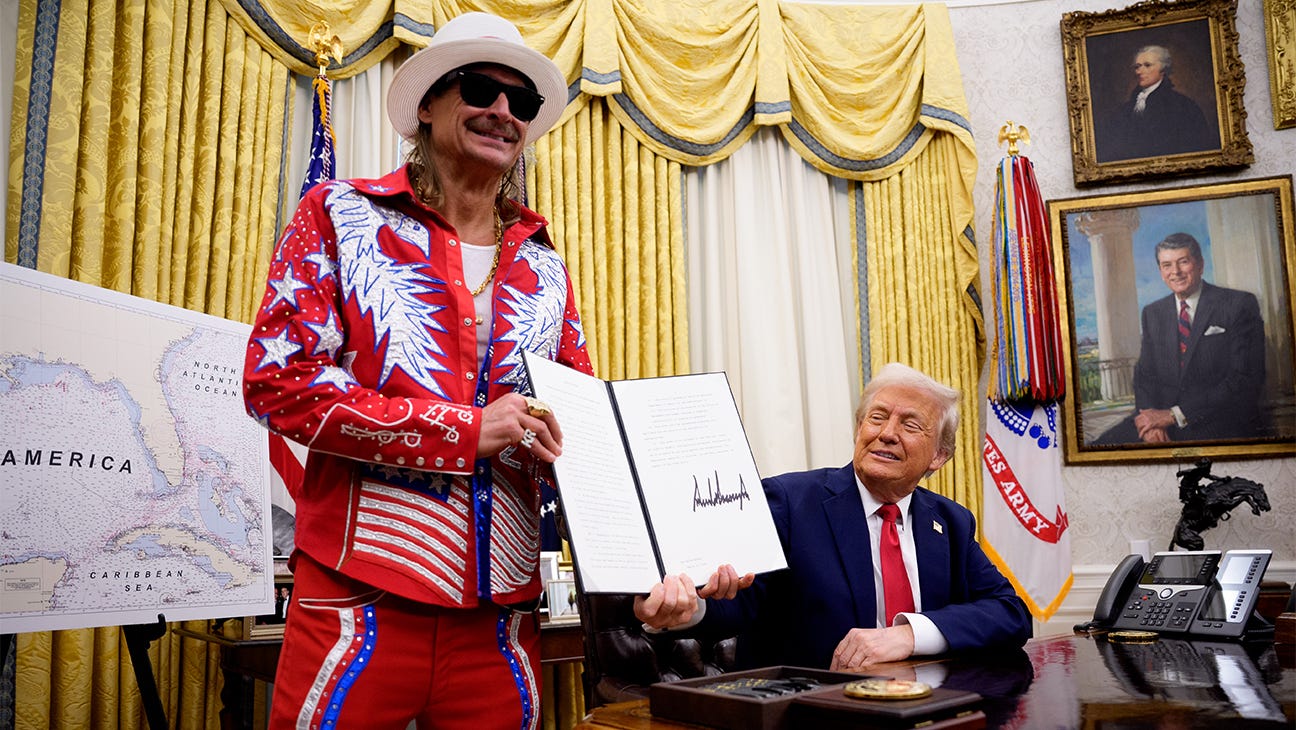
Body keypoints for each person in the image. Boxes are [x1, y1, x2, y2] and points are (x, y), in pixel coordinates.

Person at [242, 12, 592, 728]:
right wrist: (462, 431)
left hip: (501, 621)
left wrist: (653, 562)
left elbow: (580, 429)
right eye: (480, 89)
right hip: (358, 605)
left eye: (522, 101)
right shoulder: (339, 216)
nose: (503, 111)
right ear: (428, 104)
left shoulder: (545, 265)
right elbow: (279, 380)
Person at [634, 363, 1031, 671]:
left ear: (939, 456)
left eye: (909, 424)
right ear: (859, 429)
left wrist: (907, 635)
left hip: (924, 707)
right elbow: (740, 599)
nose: (887, 433)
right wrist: (684, 609)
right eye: (877, 418)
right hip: (810, 711)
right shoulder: (790, 502)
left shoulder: (950, 522)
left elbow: (1011, 613)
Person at [1094, 233, 1264, 445]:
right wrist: (1150, 422)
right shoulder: (1153, 313)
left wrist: (1174, 415)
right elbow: (1144, 376)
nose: (1175, 272)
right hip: (1160, 420)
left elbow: (1243, 378)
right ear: (1161, 271)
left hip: (1215, 420)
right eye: (1167, 265)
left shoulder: (1238, 304)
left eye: (1183, 262)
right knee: (1098, 448)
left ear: (1200, 265)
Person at [1097, 45, 1216, 163]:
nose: (1139, 71)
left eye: (1147, 65)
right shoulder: (1125, 110)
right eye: (1137, 66)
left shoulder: (1183, 106)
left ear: (1163, 69)